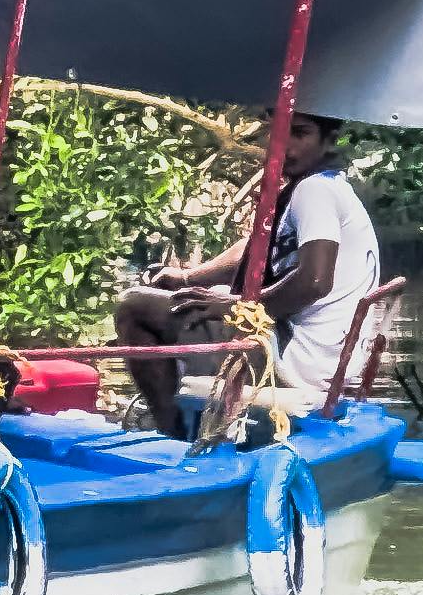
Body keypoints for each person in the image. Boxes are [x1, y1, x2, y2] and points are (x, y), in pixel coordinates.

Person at [115, 106, 383, 433]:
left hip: (296, 358)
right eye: (280, 132)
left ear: (328, 141)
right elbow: (256, 250)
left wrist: (238, 306)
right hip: (324, 354)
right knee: (208, 296)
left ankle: (173, 433)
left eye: (300, 133)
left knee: (134, 307)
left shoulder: (315, 191)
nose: (286, 146)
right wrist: (187, 278)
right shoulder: (327, 186)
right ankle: (200, 417)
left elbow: (314, 282)